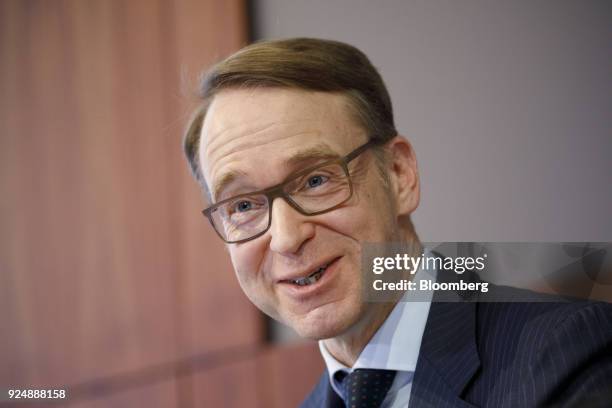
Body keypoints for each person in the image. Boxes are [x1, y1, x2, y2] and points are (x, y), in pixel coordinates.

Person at [182, 38, 612, 407]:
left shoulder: (564, 351)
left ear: (399, 175)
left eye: (315, 180)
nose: (287, 239)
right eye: (242, 206)